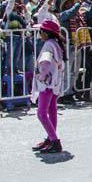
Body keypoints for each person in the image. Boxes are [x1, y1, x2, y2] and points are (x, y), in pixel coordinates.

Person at [32, 19, 66, 153]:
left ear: (45, 33)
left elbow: (45, 63)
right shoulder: (56, 44)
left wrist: (42, 76)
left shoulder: (47, 45)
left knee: (41, 113)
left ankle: (54, 141)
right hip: (55, 82)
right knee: (52, 110)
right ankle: (51, 138)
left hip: (46, 84)